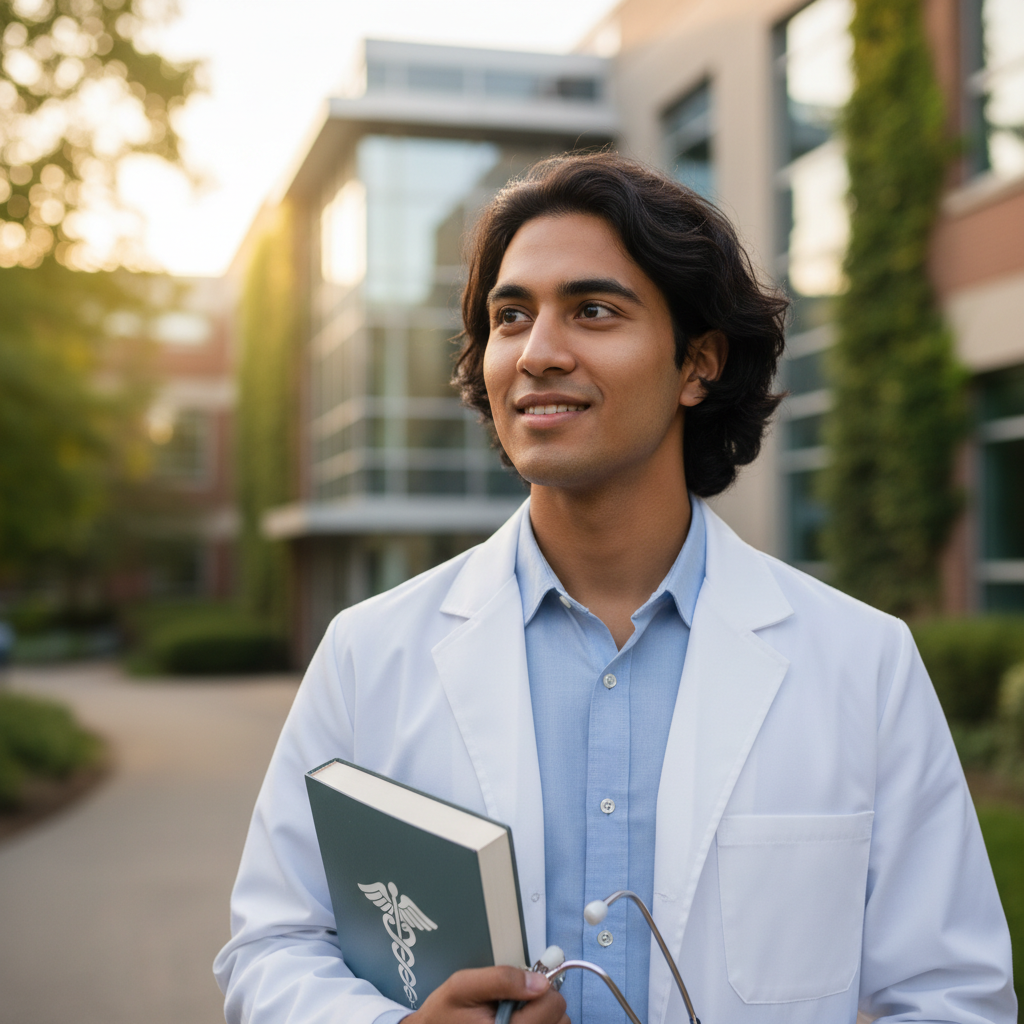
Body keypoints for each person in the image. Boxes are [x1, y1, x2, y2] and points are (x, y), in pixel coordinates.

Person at [214, 154, 1015, 1024]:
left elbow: (951, 994)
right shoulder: (370, 653)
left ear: (697, 364)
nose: (538, 353)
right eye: (510, 316)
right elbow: (273, 944)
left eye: (593, 311)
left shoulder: (863, 662)